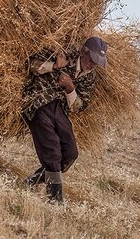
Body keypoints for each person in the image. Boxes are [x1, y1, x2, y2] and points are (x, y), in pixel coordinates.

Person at [20, 36, 108, 203]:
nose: (94, 64)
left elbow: (80, 106)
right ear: (84, 51)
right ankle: (55, 199)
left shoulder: (90, 77)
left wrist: (70, 87)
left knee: (70, 153)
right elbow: (29, 65)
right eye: (93, 59)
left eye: (98, 61)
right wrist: (54, 65)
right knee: (52, 151)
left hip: (59, 109)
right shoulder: (63, 52)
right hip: (38, 101)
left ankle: (33, 180)